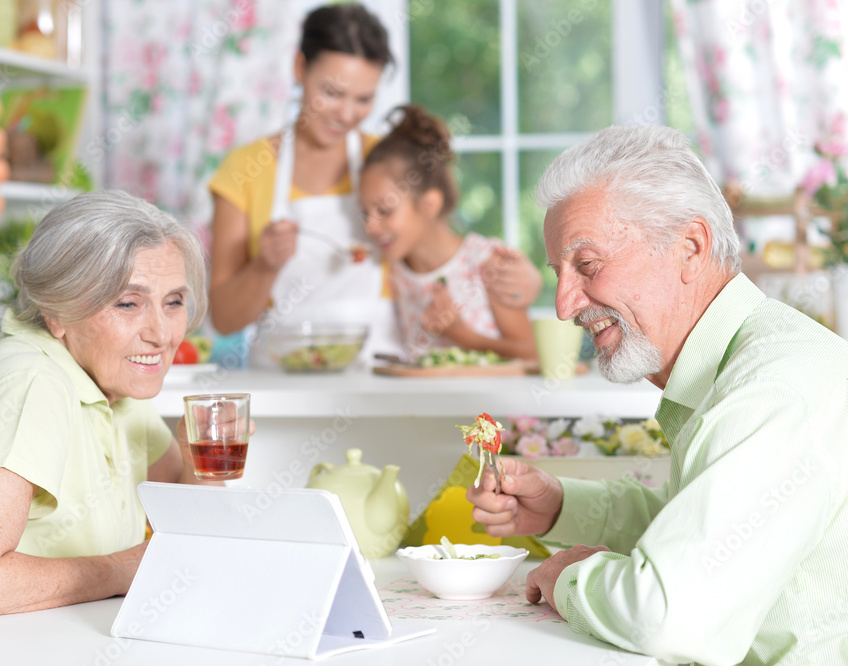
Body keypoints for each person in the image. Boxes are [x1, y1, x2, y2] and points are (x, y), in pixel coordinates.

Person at [467, 125, 848, 664]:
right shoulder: (750, 358)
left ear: (689, 248)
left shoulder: (772, 389)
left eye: (588, 265)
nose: (563, 305)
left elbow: (669, 616)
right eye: (559, 274)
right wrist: (562, 508)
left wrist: (567, 577)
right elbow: (704, 536)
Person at [0, 191, 229, 646]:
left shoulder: (112, 376)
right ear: (58, 310)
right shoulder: (33, 383)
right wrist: (122, 568)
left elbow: (182, 525)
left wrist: (204, 459)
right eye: (128, 303)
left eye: (174, 301)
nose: (160, 333)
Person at [208, 3, 399, 366]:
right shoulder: (246, 168)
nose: (346, 114)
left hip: (379, 377)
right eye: (332, 92)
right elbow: (224, 318)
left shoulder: (387, 161)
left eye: (363, 99)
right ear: (299, 68)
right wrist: (264, 265)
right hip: (281, 385)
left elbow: (433, 262)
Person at [358, 104, 541, 360]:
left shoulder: (487, 263)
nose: (370, 226)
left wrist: (462, 336)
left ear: (429, 204)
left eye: (385, 210)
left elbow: (532, 353)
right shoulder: (395, 275)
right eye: (365, 213)